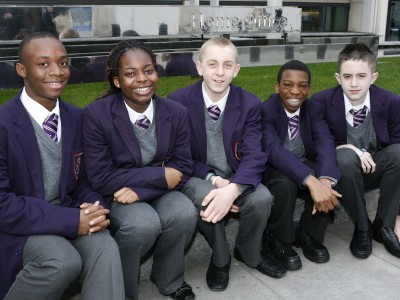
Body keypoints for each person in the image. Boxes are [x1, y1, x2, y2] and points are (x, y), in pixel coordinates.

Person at [0, 32, 124, 300]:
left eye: (63, 63)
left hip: (69, 213)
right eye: (43, 64)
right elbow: (3, 205)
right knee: (62, 260)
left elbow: (84, 180)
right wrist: (70, 221)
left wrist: (94, 206)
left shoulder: (77, 118)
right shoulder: (3, 124)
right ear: (21, 69)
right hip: (21, 228)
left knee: (105, 246)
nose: (56, 72)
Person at [82, 40, 198, 300]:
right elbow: (100, 175)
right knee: (142, 224)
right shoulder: (96, 115)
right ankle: (123, 291)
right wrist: (158, 175)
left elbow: (182, 167)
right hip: (116, 192)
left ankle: (169, 279)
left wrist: (141, 190)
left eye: (148, 70)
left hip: (147, 189)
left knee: (183, 212)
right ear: (116, 81)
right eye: (130, 73)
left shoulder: (176, 112)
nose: (142, 79)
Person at [167, 36, 285, 292]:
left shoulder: (249, 103)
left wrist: (232, 188)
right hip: (196, 175)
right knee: (205, 197)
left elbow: (255, 154)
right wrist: (213, 180)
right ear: (199, 67)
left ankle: (248, 251)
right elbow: (181, 158)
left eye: (227, 65)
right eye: (212, 64)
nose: (219, 73)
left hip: (236, 174)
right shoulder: (177, 101)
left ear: (237, 70)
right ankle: (221, 258)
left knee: (262, 198)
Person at [312, 43, 400, 259]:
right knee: (343, 156)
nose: (353, 83)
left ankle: (384, 225)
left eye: (361, 76)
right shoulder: (321, 102)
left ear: (374, 77)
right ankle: (363, 227)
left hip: (375, 169)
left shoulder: (391, 102)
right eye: (347, 76)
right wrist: (352, 148)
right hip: (343, 173)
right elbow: (316, 148)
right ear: (337, 77)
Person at [260, 60, 341, 271]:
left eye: (302, 85)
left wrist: (323, 181)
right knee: (284, 184)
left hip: (303, 160)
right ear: (277, 87)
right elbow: (274, 151)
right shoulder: (266, 110)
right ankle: (279, 237)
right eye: (287, 85)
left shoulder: (314, 108)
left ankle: (308, 233)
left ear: (309, 89)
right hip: (274, 167)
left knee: (331, 175)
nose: (295, 91)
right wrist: (310, 180)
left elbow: (324, 142)